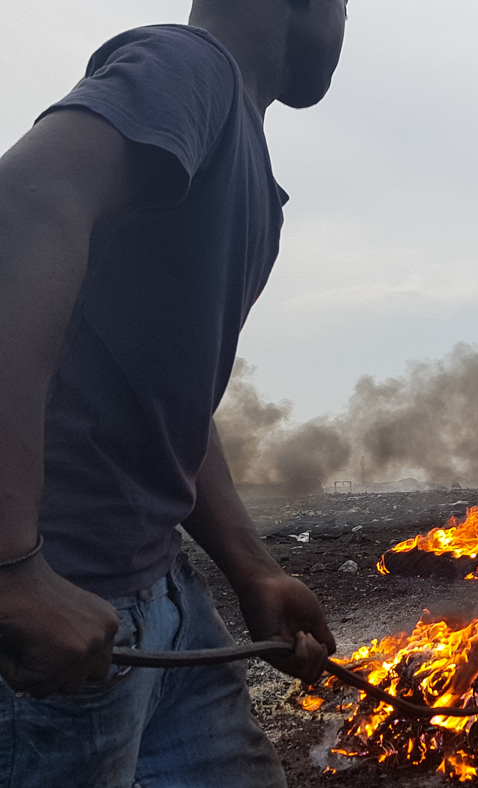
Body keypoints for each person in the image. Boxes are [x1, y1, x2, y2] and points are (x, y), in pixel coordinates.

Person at [0, 0, 348, 784]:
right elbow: (22, 204)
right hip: (58, 609)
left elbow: (171, 402)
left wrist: (253, 570)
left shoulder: (245, 163)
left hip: (162, 600)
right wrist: (11, 568)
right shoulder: (190, 69)